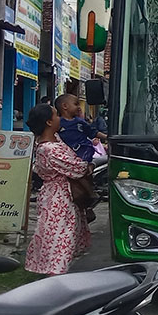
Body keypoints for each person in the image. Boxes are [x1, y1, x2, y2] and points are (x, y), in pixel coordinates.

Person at [25, 103, 92, 275]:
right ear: (48, 122)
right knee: (59, 239)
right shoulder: (49, 149)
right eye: (56, 115)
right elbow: (77, 168)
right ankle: (54, 277)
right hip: (59, 199)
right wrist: (88, 166)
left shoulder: (54, 139)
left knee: (61, 237)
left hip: (63, 196)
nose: (59, 118)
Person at [55, 94, 108, 168]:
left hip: (84, 152)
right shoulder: (58, 123)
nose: (79, 107)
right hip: (67, 156)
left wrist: (107, 137)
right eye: (76, 104)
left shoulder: (80, 122)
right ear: (65, 106)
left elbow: (92, 132)